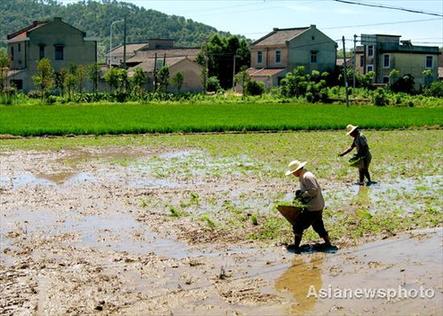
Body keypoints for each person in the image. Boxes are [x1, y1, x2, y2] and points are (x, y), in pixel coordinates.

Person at [285, 160, 332, 253]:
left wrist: (302, 195)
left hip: (313, 207)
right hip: (316, 205)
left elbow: (314, 190)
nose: (293, 174)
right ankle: (328, 243)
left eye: (293, 172)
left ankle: (296, 246)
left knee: (298, 225)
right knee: (318, 225)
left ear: (297, 170)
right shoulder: (304, 175)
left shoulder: (307, 176)